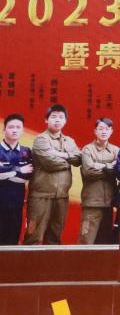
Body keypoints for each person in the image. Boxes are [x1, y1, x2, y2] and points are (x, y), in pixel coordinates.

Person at [26, 104, 81, 244]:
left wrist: (61, 154)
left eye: (61, 117)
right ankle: (30, 259)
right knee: (34, 235)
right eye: (54, 117)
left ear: (65, 121)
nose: (57, 120)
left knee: (55, 237)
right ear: (46, 120)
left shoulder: (69, 141)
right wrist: (68, 160)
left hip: (62, 196)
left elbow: (79, 159)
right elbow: (49, 163)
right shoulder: (41, 139)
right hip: (41, 195)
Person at [78, 118, 118, 244]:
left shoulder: (116, 150)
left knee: (104, 242)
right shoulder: (88, 149)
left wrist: (99, 166)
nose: (104, 131)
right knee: (86, 240)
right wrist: (109, 167)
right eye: (100, 129)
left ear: (111, 131)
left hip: (109, 204)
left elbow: (118, 172)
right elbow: (88, 172)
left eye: (107, 129)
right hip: (92, 203)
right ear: (95, 131)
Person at [0, 114, 33, 244]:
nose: (15, 130)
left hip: (17, 203)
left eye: (18, 127)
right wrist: (19, 170)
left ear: (23, 130)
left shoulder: (26, 151)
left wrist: (7, 172)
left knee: (13, 240)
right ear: (4, 129)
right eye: (11, 127)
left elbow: (27, 176)